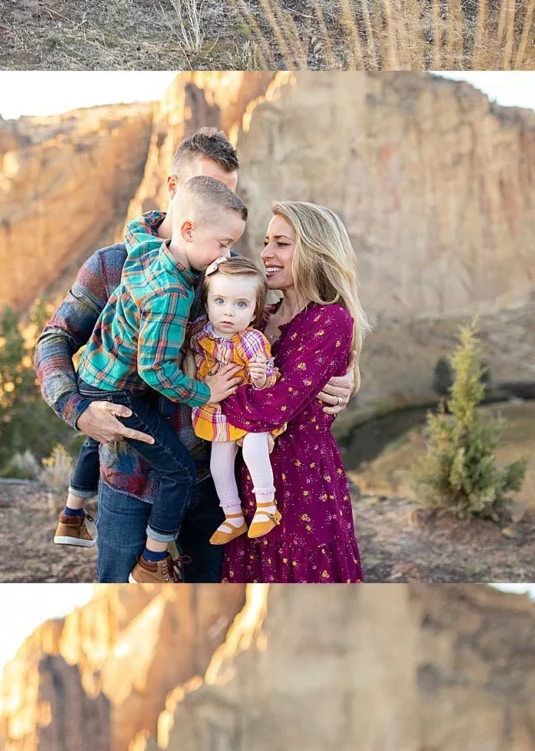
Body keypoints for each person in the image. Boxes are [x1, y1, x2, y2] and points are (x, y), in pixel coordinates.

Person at [36, 128, 356, 581]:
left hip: (215, 481)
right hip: (132, 477)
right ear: (175, 190)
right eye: (210, 190)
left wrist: (339, 383)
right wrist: (77, 409)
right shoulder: (111, 265)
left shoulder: (229, 273)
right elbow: (54, 340)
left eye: (229, 194)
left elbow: (278, 348)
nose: (220, 204)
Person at [73, 175, 250, 584]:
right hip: (125, 438)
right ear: (186, 223)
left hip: (205, 467)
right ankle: (150, 564)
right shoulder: (165, 286)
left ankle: (73, 511)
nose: (227, 254)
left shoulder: (157, 254)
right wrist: (205, 393)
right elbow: (153, 369)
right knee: (178, 476)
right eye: (223, 243)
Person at [216, 202, 369, 583]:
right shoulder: (259, 315)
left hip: (301, 485)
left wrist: (210, 393)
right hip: (247, 477)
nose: (266, 254)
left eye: (281, 243)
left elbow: (271, 408)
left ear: (315, 251)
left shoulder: (330, 319)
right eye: (267, 242)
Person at [184, 253, 281, 545]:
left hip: (250, 408)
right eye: (220, 301)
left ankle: (267, 505)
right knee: (219, 464)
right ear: (207, 303)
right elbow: (189, 352)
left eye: (241, 305)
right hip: (218, 411)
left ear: (253, 313)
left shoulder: (250, 341)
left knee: (253, 448)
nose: (229, 312)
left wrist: (260, 375)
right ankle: (233, 516)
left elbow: (267, 380)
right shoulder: (200, 332)